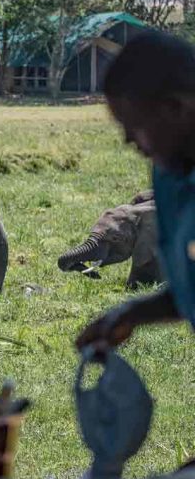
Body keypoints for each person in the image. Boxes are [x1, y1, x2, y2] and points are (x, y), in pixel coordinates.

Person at [76, 31, 195, 360]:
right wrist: (130, 314)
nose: (128, 139)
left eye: (135, 123)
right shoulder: (169, 176)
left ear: (176, 107)